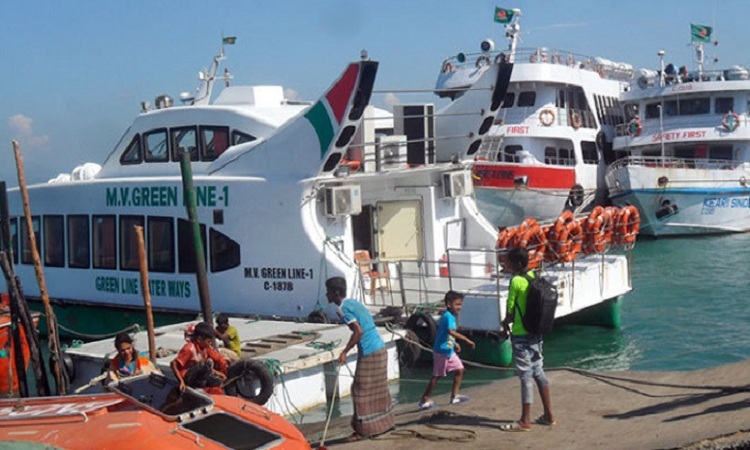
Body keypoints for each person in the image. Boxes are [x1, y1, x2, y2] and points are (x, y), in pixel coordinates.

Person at [326, 276, 394, 442]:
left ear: (335, 293)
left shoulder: (342, 309)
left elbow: (358, 331)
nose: (326, 295)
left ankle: (363, 430)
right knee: (378, 387)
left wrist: (344, 352)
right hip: (380, 348)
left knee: (359, 390)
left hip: (370, 351)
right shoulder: (354, 303)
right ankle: (385, 423)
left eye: (328, 292)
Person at [500, 247, 555, 431]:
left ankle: (525, 420)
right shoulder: (533, 276)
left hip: (521, 334)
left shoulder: (515, 281)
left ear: (516, 264)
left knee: (525, 375)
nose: (506, 265)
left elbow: (510, 308)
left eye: (508, 262)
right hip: (536, 332)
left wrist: (505, 323)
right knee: (538, 371)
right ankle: (549, 415)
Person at [418, 290, 475, 409]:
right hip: (442, 351)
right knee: (437, 376)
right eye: (457, 304)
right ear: (449, 304)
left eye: (460, 305)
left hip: (449, 350)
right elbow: (450, 331)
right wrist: (466, 340)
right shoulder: (448, 317)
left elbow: (448, 334)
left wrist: (455, 344)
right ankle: (424, 399)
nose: (459, 307)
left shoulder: (453, 317)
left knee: (459, 369)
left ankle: (454, 396)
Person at [170, 321, 228, 394]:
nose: (210, 344)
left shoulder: (204, 349)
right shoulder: (189, 349)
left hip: (198, 376)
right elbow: (173, 364)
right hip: (187, 378)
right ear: (199, 339)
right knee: (203, 366)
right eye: (208, 342)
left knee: (217, 381)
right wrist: (181, 381)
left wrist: (218, 373)